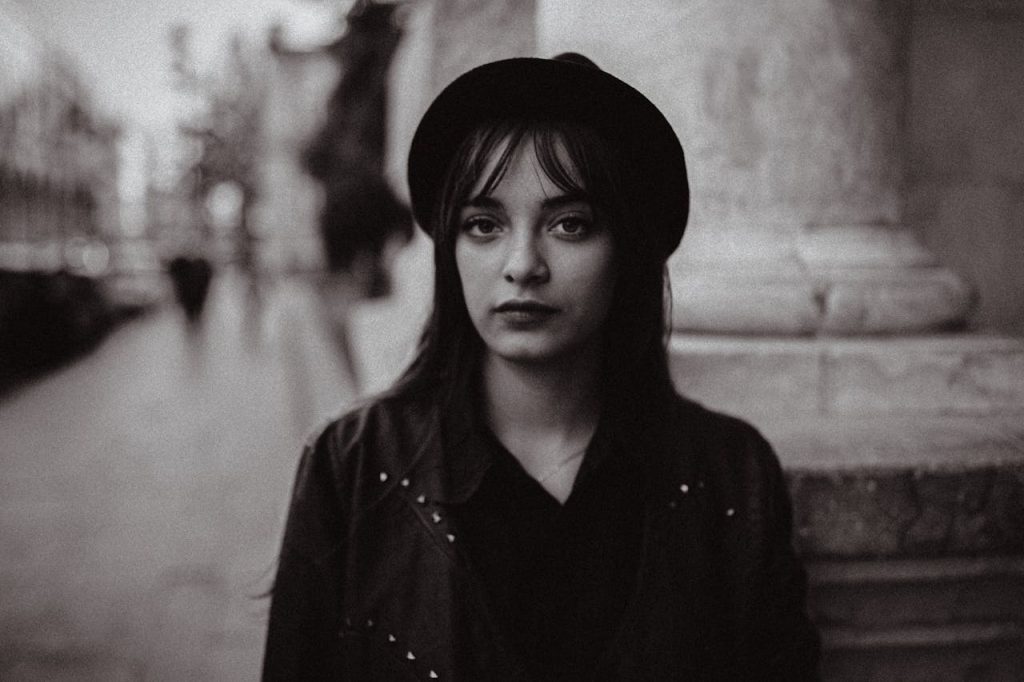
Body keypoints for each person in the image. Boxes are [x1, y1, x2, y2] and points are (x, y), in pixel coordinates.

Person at [262, 53, 821, 681]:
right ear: (451, 251)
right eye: (483, 225)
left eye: (570, 224)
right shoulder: (352, 465)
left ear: (626, 250)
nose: (523, 263)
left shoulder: (730, 474)